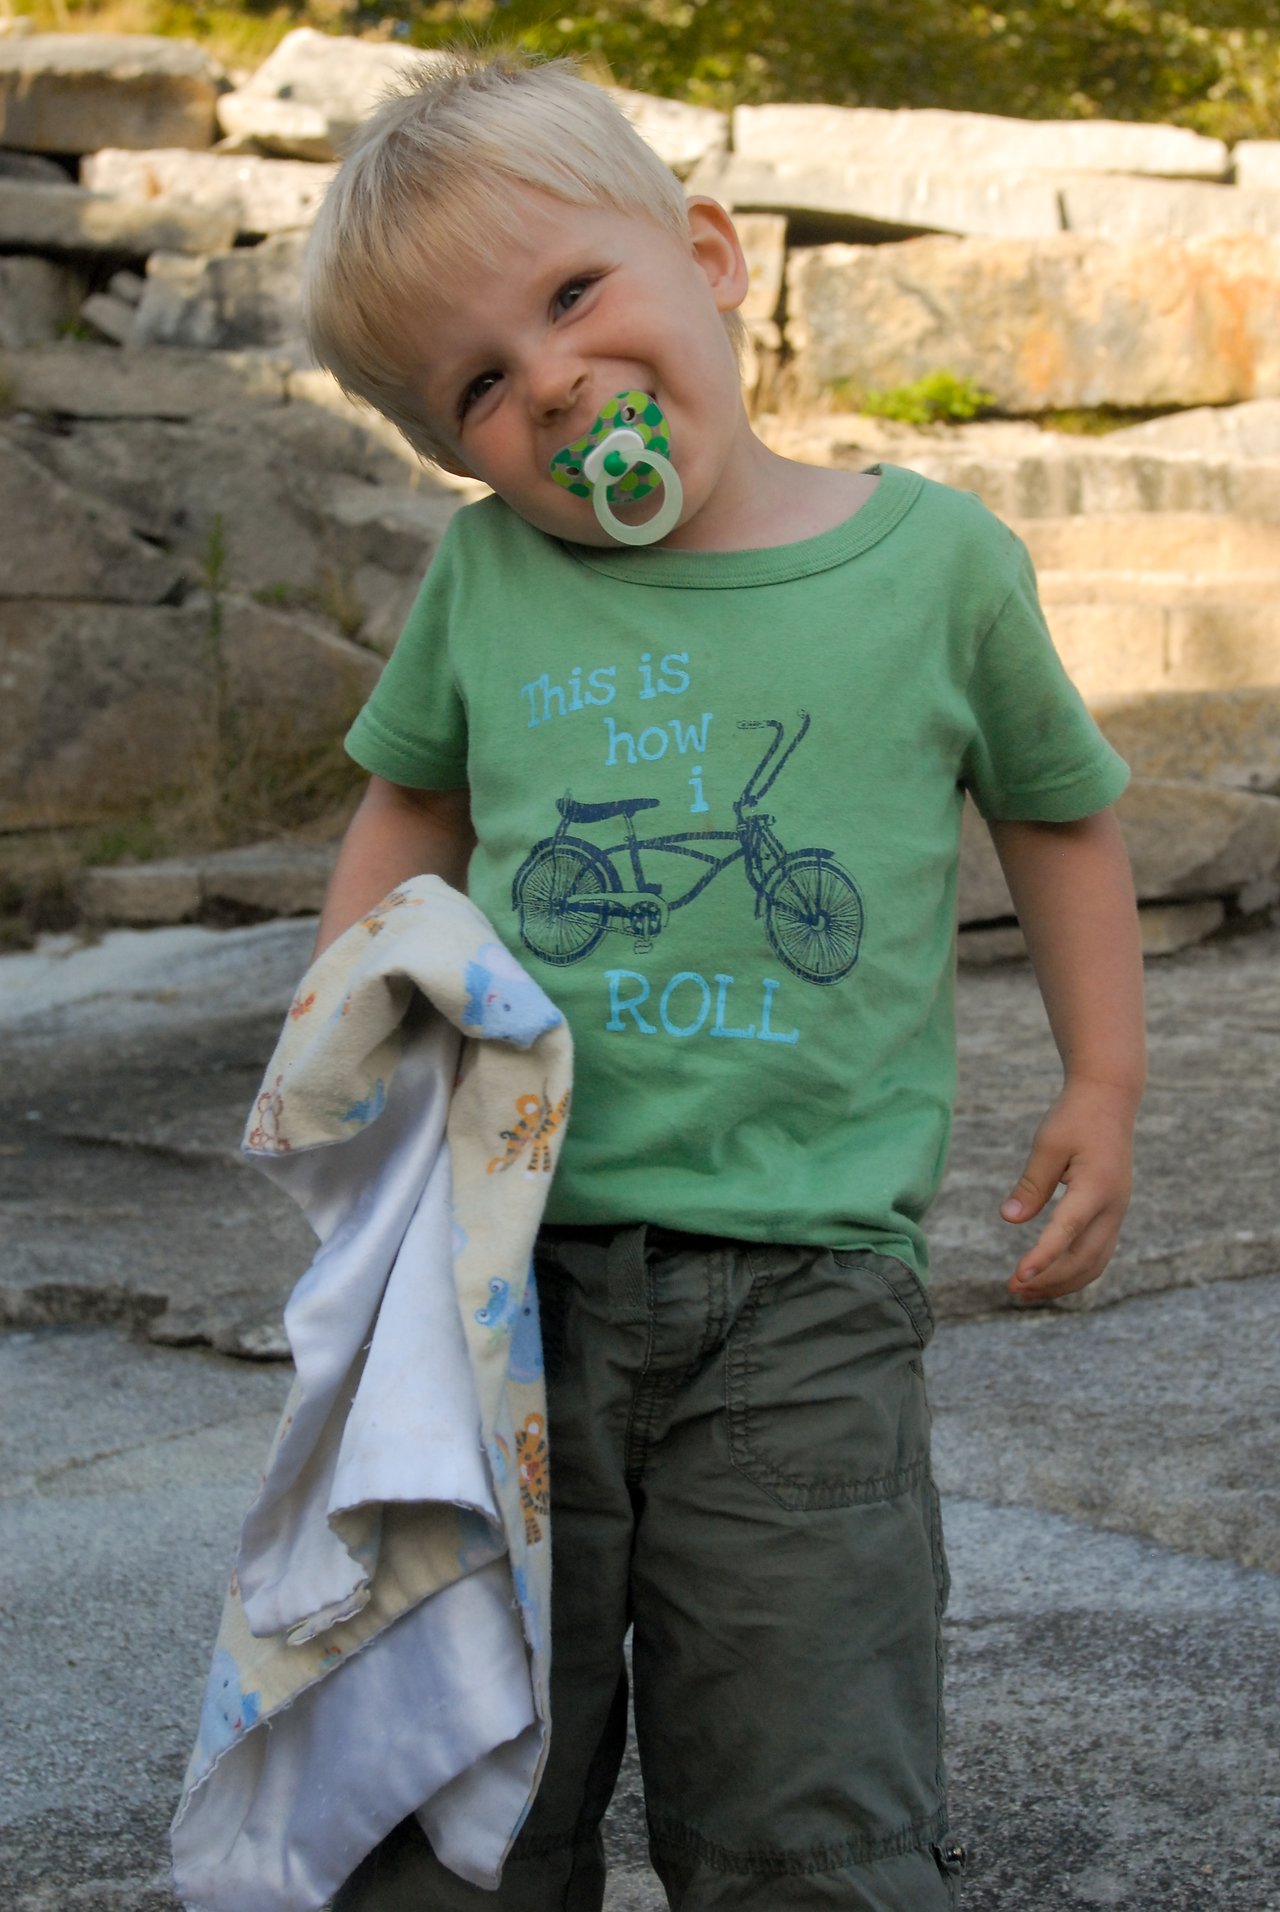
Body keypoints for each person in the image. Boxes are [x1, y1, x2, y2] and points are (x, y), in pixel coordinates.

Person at [302, 51, 1145, 1912]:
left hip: (805, 1303)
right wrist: (348, 1033)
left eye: (576, 296)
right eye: (482, 389)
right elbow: (408, 812)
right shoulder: (488, 578)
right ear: (455, 452)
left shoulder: (935, 565)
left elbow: (1064, 819)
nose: (554, 385)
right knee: (458, 1803)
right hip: (500, 1286)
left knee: (804, 1802)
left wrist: (1100, 1086)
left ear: (711, 255)